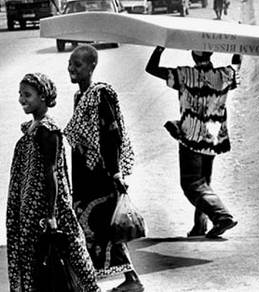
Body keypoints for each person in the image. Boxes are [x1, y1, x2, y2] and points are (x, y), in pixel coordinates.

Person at [7, 73, 100, 292]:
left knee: (67, 252)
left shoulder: (48, 131)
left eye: (27, 95)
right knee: (35, 256)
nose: (22, 99)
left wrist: (50, 215)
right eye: (20, 94)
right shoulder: (33, 127)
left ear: (42, 96)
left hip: (46, 207)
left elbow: (52, 174)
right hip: (29, 206)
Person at [64, 45, 144, 292]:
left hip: (101, 176)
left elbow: (112, 135)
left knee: (106, 227)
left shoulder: (100, 95)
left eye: (78, 65)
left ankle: (131, 280)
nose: (72, 68)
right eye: (70, 63)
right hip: (84, 177)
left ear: (91, 67)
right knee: (92, 228)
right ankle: (93, 280)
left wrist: (116, 172)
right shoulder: (79, 97)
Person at [145, 46, 241, 239]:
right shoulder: (225, 74)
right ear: (211, 54)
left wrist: (160, 48)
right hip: (213, 136)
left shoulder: (185, 74)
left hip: (191, 136)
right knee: (204, 183)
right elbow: (237, 65)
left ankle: (222, 216)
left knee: (192, 184)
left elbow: (151, 68)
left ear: (193, 55)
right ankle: (200, 226)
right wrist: (238, 48)